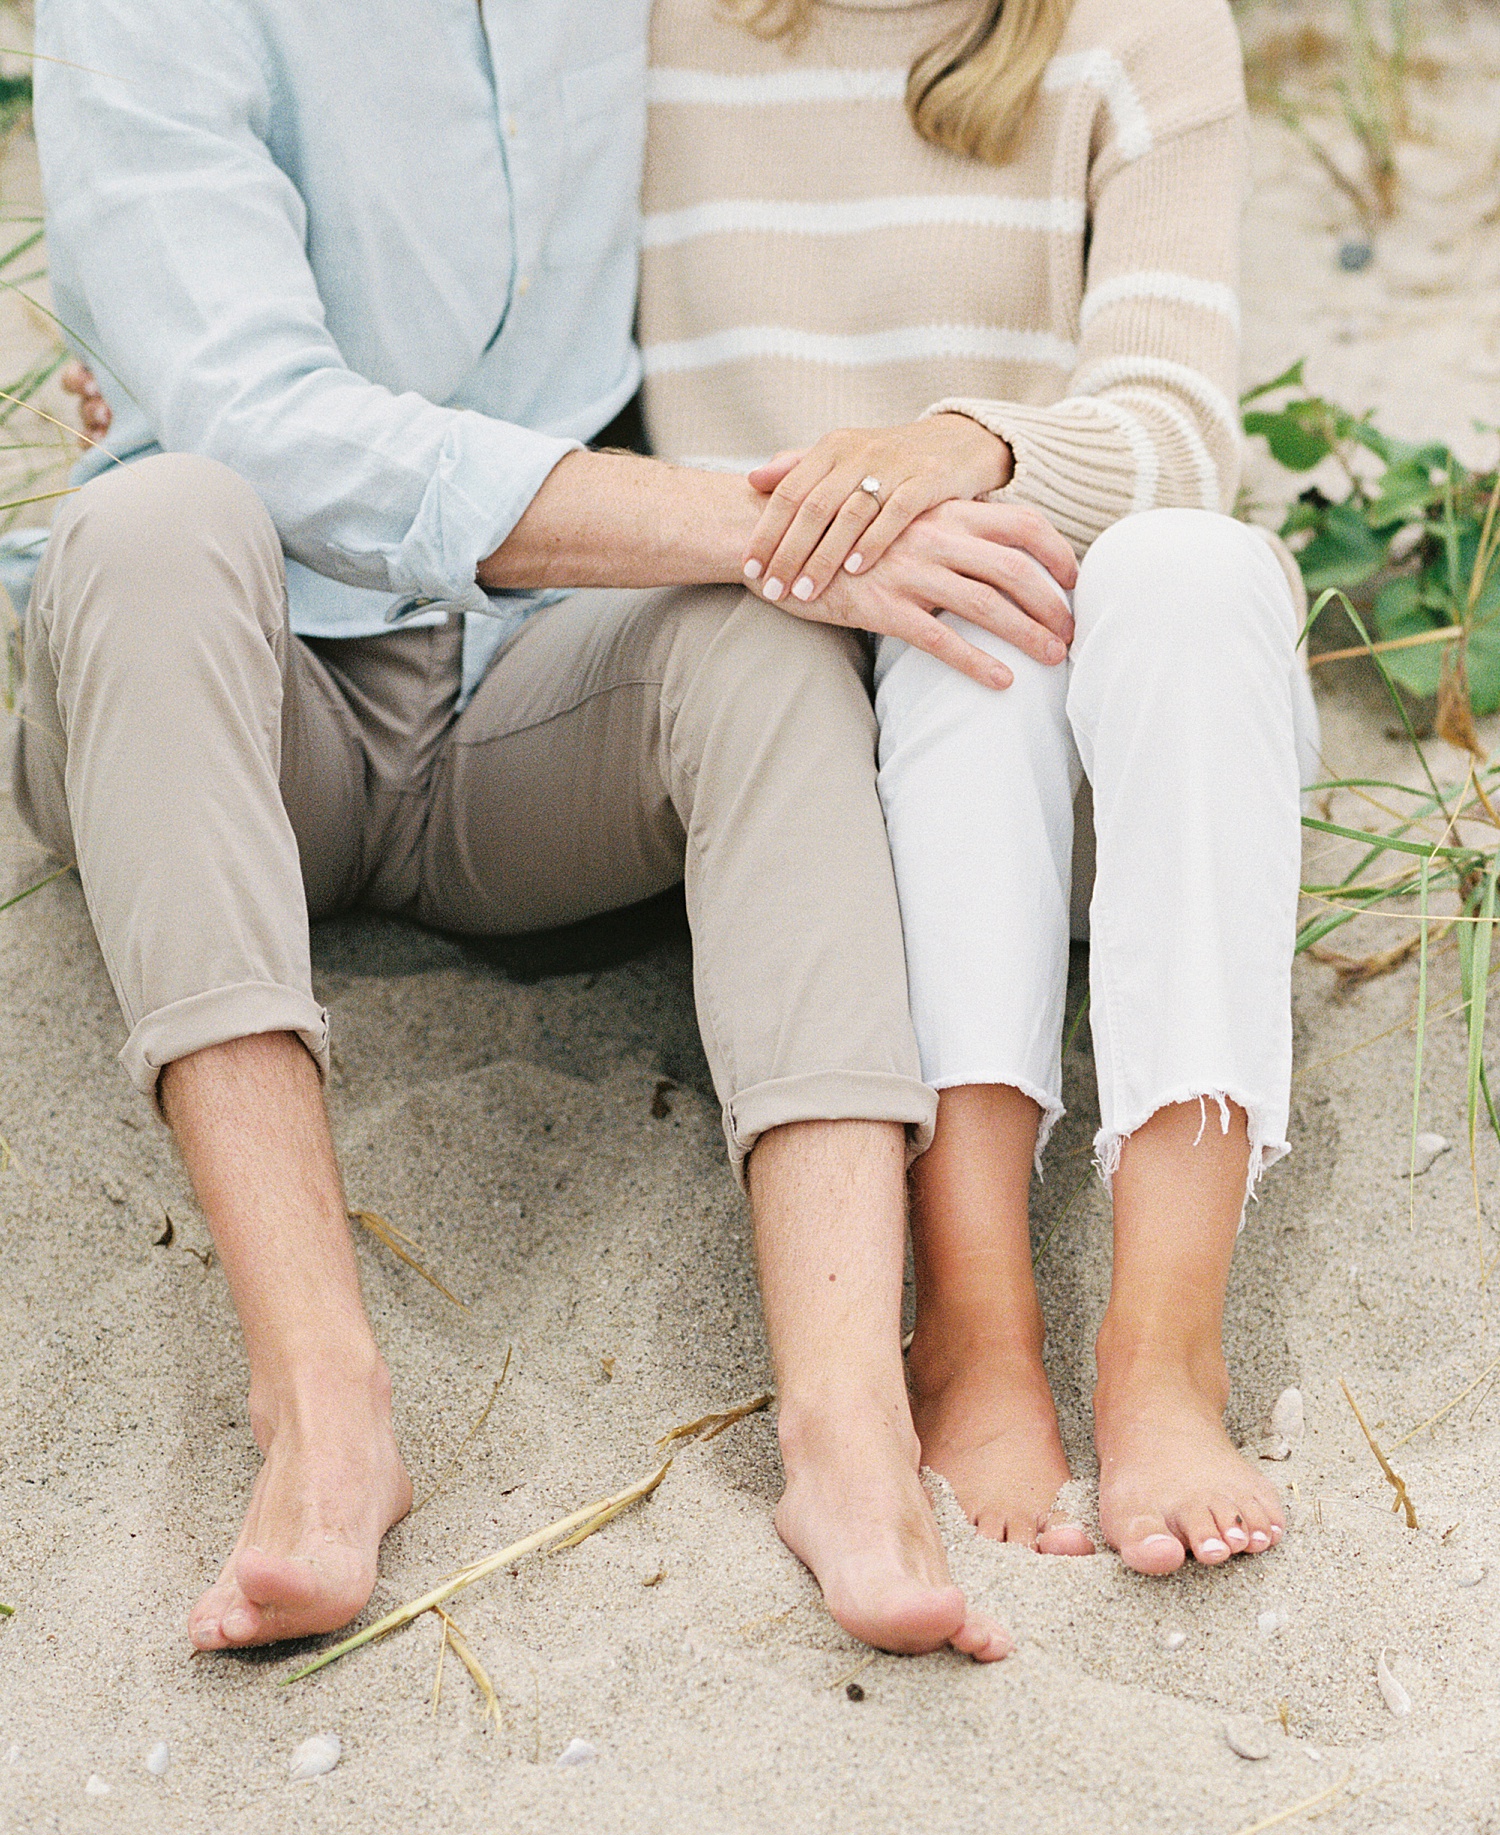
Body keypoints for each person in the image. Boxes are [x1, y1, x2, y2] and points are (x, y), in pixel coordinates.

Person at [23, 0, 1101, 1666]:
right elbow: (257, 416)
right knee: (152, 520)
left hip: (534, 694)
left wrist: (929, 464)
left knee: (763, 630)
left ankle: (844, 1424)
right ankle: (321, 1400)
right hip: (238, 702)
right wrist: (744, 522)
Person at [634, 0, 1317, 1571]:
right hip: (856, 783)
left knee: (1194, 572)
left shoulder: (1141, 28)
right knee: (950, 620)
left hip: (1139, 753)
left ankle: (1165, 1349)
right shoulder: (652, 31)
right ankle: (978, 1323)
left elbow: (1178, 431)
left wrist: (967, 446)